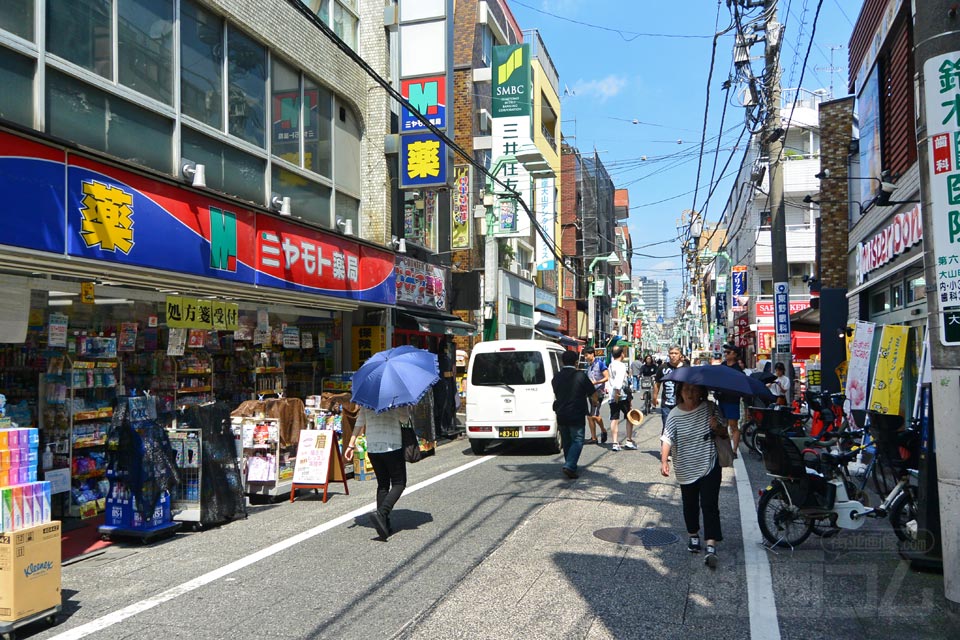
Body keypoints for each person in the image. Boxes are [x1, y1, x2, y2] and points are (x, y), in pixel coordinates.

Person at [660, 382, 726, 568]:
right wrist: (664, 460)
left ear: (702, 392)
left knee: (709, 503)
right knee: (690, 504)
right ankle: (693, 534)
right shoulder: (674, 414)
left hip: (709, 463)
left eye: (694, 389)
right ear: (680, 392)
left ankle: (711, 544)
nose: (690, 392)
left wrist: (717, 427)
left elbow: (724, 433)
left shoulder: (711, 408)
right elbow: (667, 438)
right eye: (686, 389)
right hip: (685, 466)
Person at [345, 405, 411, 540]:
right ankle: (381, 513)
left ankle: (384, 525)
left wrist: (351, 445)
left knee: (383, 484)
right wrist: (406, 408)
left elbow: (360, 421)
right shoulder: (396, 398)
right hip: (392, 445)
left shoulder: (368, 399)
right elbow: (404, 419)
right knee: (399, 483)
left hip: (373, 447)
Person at [552, 349, 598, 479]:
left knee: (566, 441)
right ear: (576, 362)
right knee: (577, 440)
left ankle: (570, 464)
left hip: (561, 413)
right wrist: (595, 403)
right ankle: (570, 465)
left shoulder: (556, 377)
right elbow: (593, 394)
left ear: (562, 361)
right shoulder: (581, 376)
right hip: (576, 413)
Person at [605, 346, 637, 451]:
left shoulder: (610, 365)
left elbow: (609, 380)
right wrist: (618, 392)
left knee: (614, 418)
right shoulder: (621, 366)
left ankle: (614, 442)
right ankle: (628, 440)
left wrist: (612, 392)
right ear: (622, 354)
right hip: (621, 395)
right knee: (629, 416)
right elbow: (619, 381)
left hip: (612, 395)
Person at [716, 343, 744, 456]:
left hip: (732, 400)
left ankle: (734, 450)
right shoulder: (723, 365)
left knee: (733, 426)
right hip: (721, 399)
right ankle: (725, 448)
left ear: (735, 355)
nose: (726, 353)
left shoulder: (737, 369)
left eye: (729, 352)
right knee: (722, 426)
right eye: (725, 352)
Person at [653, 345, 685, 432]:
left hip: (682, 404)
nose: (673, 355)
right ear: (668, 355)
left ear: (680, 355)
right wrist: (654, 397)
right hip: (666, 404)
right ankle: (666, 445)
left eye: (676, 353)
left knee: (681, 430)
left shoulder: (686, 368)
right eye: (671, 353)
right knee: (667, 429)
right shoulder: (663, 367)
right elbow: (657, 383)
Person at [582, 346, 609, 445]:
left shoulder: (600, 364)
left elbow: (607, 377)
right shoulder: (588, 366)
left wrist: (596, 382)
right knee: (590, 416)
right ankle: (594, 437)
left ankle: (603, 430)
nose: (585, 357)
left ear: (592, 354)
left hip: (598, 392)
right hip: (590, 392)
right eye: (584, 355)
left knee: (594, 415)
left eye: (586, 355)